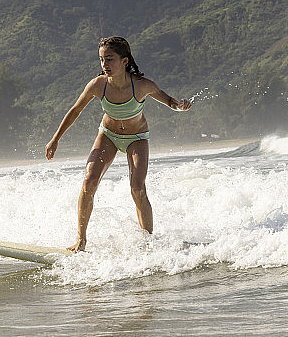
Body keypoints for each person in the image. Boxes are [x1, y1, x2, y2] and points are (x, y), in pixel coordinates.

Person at [45, 36, 192, 252]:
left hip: (136, 138)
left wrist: (181, 105)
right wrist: (55, 139)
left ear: (124, 61)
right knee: (89, 181)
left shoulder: (142, 86)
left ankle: (148, 243)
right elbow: (75, 110)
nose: (104, 64)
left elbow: (170, 101)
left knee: (137, 188)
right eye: (101, 59)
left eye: (109, 59)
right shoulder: (98, 85)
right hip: (108, 136)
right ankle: (81, 240)